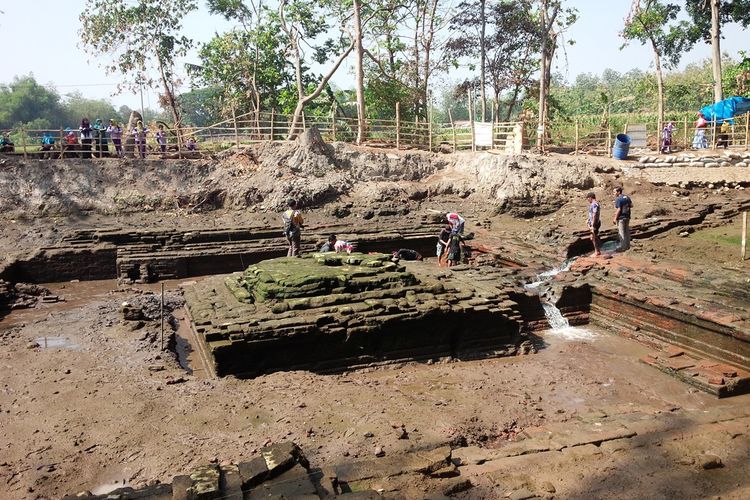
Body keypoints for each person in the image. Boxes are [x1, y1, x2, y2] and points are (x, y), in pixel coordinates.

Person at [612, 186, 633, 252]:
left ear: (618, 192)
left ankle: (623, 247)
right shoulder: (627, 197)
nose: (614, 193)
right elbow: (631, 205)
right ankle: (627, 246)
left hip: (621, 218)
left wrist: (615, 218)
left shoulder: (618, 199)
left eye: (614, 192)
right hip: (627, 216)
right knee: (627, 232)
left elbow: (619, 209)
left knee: (621, 233)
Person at [586, 192, 601, 256]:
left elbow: (594, 214)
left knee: (593, 237)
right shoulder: (594, 204)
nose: (588, 200)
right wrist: (588, 220)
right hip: (593, 222)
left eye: (588, 199)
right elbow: (592, 214)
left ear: (590, 197)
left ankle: (597, 251)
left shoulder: (594, 204)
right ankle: (597, 250)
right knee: (593, 237)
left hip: (595, 223)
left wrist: (592, 224)